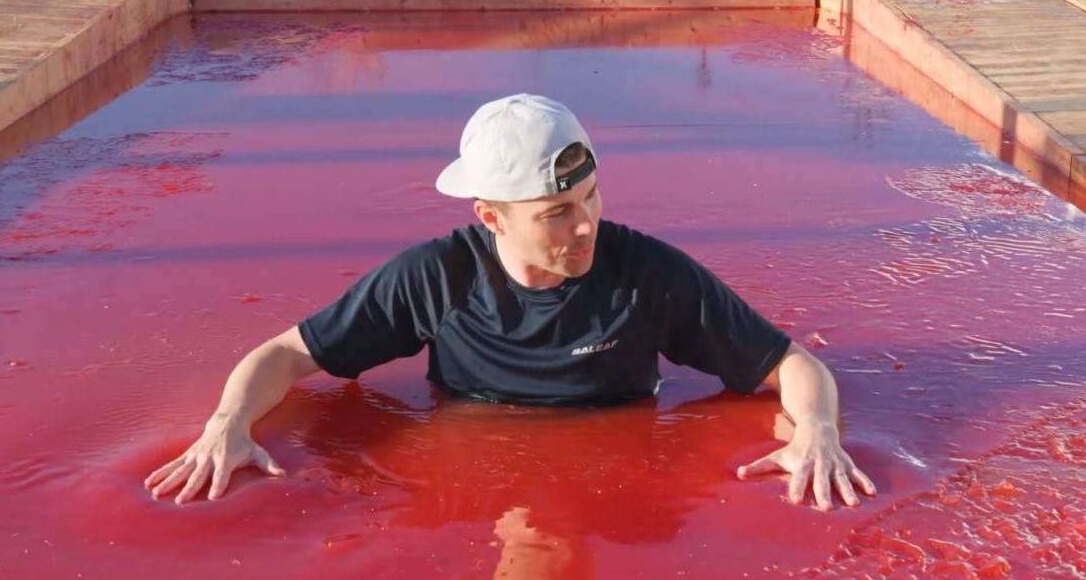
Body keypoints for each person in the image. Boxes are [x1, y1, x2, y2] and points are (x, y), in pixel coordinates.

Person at [145, 93, 876, 510]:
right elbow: (287, 353)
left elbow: (790, 361)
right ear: (491, 217)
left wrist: (816, 428)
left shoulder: (645, 274)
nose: (585, 224)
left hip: (613, 465)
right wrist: (227, 425)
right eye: (556, 212)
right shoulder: (433, 278)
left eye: (590, 196)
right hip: (471, 451)